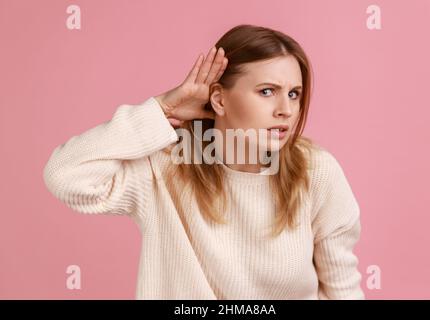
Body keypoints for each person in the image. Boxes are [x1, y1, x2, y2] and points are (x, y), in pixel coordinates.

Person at [43, 24, 365, 300]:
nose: (286, 109)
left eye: (294, 94)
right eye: (267, 91)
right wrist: (161, 109)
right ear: (219, 99)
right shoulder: (168, 166)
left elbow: (342, 289)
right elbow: (65, 176)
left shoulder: (315, 171)